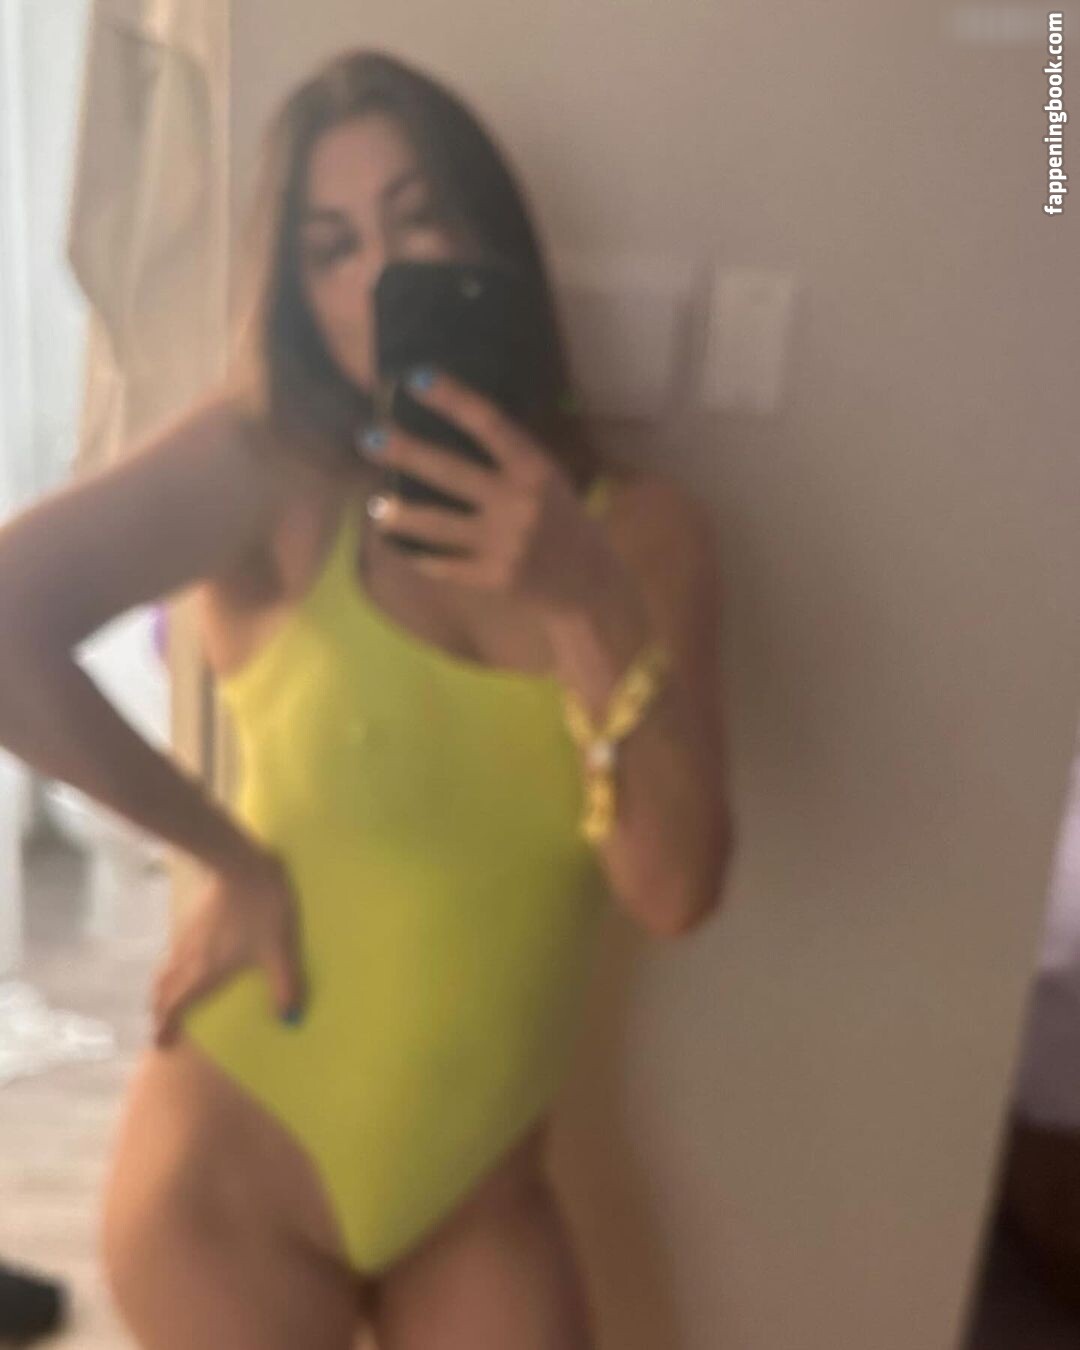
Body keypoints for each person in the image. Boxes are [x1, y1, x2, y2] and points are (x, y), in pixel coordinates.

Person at [0, 47, 734, 1350]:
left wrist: (583, 599)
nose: (382, 277)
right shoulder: (266, 468)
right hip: (234, 1179)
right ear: (301, 295)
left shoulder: (646, 535)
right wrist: (229, 859)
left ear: (489, 246)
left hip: (481, 1200)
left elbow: (675, 891)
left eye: (418, 221)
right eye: (332, 247)